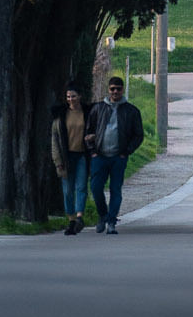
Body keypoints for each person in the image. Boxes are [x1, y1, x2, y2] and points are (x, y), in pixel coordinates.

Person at [85, 74, 144, 235]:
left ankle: (111, 221)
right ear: (108, 90)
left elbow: (139, 135)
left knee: (115, 189)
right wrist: (93, 151)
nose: (115, 92)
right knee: (96, 188)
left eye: (118, 89)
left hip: (119, 157)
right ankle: (103, 215)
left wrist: (127, 151)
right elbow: (88, 131)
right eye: (112, 89)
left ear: (122, 90)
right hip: (100, 156)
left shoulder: (131, 111)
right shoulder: (98, 108)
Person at [50, 81, 92, 235]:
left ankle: (80, 216)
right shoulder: (60, 116)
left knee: (81, 187)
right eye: (68, 96)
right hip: (66, 157)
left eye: (73, 96)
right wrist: (57, 161)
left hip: (82, 155)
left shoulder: (88, 112)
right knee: (67, 190)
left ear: (79, 96)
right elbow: (54, 139)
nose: (71, 99)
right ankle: (71, 219)